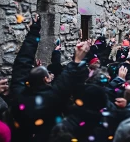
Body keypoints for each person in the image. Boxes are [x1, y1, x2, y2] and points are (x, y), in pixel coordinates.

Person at [9, 14, 91, 142]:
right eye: (48, 74)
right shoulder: (51, 99)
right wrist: (77, 60)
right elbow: (64, 83)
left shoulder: (18, 93)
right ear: (46, 79)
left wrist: (34, 32)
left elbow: (22, 62)